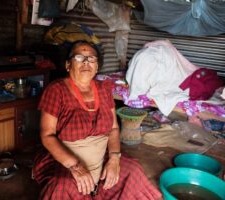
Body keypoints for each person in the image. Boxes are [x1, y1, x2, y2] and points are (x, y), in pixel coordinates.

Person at [32, 40, 162, 200]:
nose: (86, 62)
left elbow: (114, 128)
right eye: (79, 57)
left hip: (102, 154)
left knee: (132, 171)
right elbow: (47, 135)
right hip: (66, 158)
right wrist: (76, 167)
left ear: (97, 66)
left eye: (91, 58)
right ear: (68, 64)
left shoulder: (104, 89)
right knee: (61, 186)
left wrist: (114, 159)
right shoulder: (56, 90)